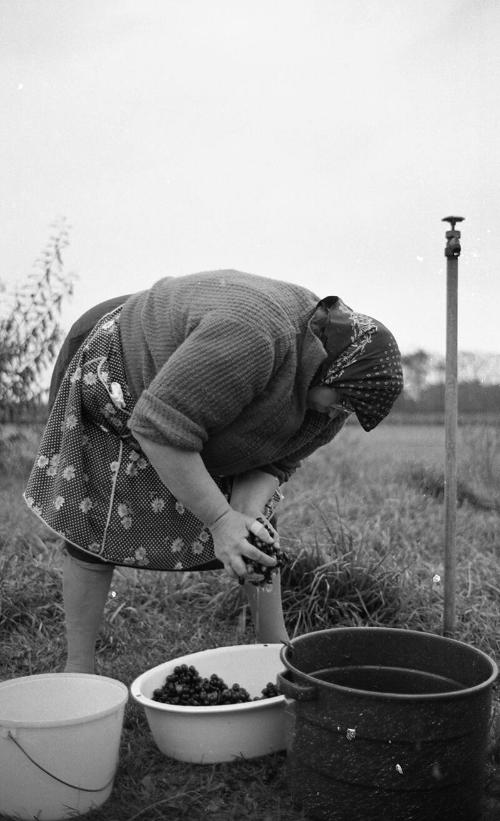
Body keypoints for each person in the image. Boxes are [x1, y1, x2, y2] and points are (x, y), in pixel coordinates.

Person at [24, 269, 403, 674]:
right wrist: (221, 520)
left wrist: (243, 517)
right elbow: (160, 427)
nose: (338, 412)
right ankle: (78, 668)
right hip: (118, 360)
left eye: (348, 407)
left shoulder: (329, 403)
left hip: (199, 399)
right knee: (96, 518)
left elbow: (274, 462)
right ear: (331, 367)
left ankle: (276, 652)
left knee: (255, 534)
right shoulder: (255, 337)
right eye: (341, 399)